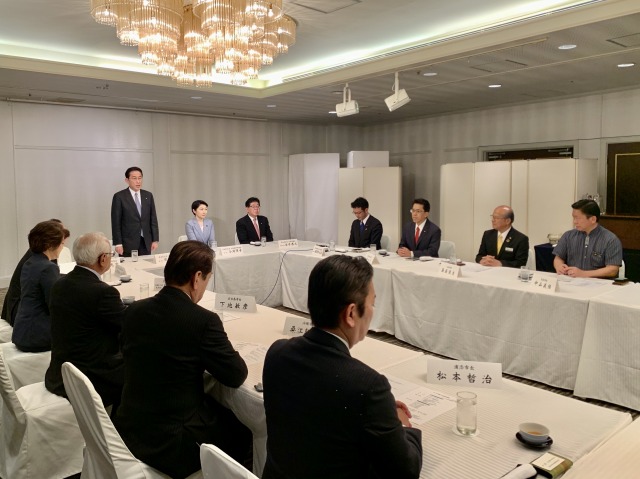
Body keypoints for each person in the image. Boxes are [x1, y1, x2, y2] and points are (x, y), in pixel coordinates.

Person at [262, 255, 423, 479]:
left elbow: (316, 402)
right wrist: (401, 424)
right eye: (372, 304)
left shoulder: (277, 353)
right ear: (350, 314)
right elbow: (406, 471)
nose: (373, 311)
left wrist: (379, 412)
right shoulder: (368, 386)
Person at [114, 241, 250, 478]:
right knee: (244, 429)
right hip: (172, 443)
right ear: (197, 278)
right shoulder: (203, 321)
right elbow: (236, 374)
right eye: (207, 280)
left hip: (128, 426)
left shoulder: (133, 310)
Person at [45, 232, 126, 409]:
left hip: (59, 373)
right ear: (103, 259)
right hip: (90, 378)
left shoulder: (59, 284)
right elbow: (127, 325)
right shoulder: (103, 292)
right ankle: (121, 421)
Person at [12, 220, 70, 352]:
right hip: (38, 336)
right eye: (61, 243)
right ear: (50, 245)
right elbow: (54, 305)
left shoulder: (30, 263)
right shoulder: (48, 268)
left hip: (22, 332)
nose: (62, 248)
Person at [2, 218, 68, 326]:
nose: (63, 245)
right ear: (50, 242)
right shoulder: (46, 266)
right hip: (26, 317)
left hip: (19, 314)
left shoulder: (34, 258)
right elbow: (53, 304)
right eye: (62, 241)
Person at [553, 199, 622, 278]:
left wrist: (583, 274)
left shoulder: (610, 240)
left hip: (598, 283)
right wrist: (559, 266)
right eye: (573, 218)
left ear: (593, 219)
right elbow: (558, 258)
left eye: (578, 218)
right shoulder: (568, 236)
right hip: (571, 281)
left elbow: (612, 270)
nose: (574, 222)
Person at [111, 166, 159, 256]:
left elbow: (153, 219)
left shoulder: (148, 195)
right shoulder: (119, 197)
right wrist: (118, 243)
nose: (138, 181)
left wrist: (155, 240)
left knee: (145, 263)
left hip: (145, 241)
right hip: (127, 243)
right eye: (134, 178)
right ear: (127, 180)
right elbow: (116, 222)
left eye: (140, 178)